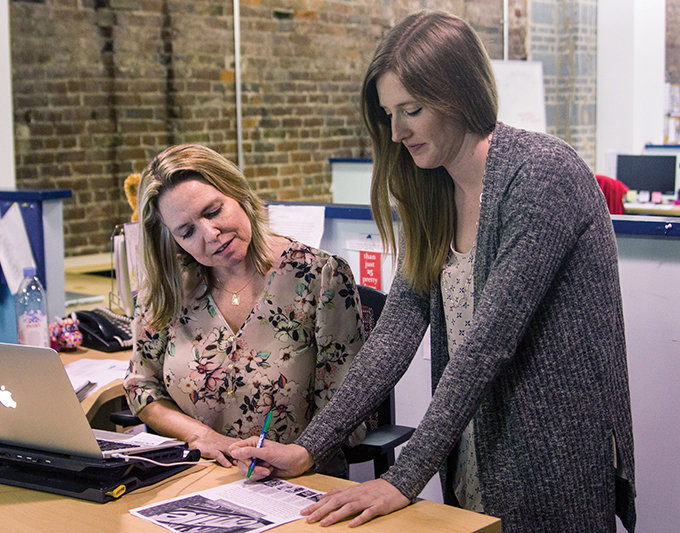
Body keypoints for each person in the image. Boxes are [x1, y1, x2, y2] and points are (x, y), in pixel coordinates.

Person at [229, 11, 636, 532]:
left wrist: (403, 477)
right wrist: (310, 447)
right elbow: (395, 333)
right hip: (472, 446)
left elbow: (488, 343)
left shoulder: (541, 175)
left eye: (412, 110)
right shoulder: (435, 189)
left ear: (459, 95)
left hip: (550, 453)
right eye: (388, 114)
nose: (397, 132)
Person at [123, 144, 365, 473]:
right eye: (188, 232)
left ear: (237, 192)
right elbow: (142, 386)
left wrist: (299, 455)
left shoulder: (318, 276)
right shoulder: (168, 288)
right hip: (197, 476)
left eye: (212, 211)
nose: (210, 235)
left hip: (297, 479)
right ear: (173, 240)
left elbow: (347, 404)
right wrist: (202, 437)